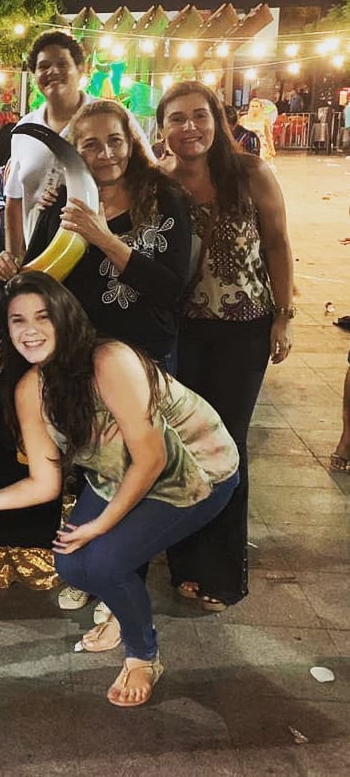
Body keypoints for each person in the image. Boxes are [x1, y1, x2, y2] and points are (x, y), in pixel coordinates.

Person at [0, 272, 239, 708]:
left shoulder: (110, 360)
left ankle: (143, 655)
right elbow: (43, 484)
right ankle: (124, 610)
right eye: (17, 320)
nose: (29, 330)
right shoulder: (31, 388)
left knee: (104, 563)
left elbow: (152, 459)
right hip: (119, 472)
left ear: (65, 317)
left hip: (198, 471)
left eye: (42, 317)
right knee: (70, 564)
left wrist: (100, 525)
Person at [157, 80, 295, 610]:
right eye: (176, 118)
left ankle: (223, 570)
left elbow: (278, 244)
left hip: (244, 330)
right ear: (162, 128)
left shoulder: (251, 174)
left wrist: (283, 317)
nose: (189, 127)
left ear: (217, 121)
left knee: (228, 444)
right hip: (182, 333)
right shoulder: (158, 183)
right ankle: (184, 561)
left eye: (199, 116)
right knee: (184, 443)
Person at [23, 99, 190, 373]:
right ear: (75, 153)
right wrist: (8, 268)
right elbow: (35, 279)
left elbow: (170, 290)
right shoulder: (62, 203)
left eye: (115, 141)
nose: (106, 153)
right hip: (74, 357)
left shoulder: (165, 198)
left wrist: (104, 239)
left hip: (144, 359)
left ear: (130, 145)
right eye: (91, 145)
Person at [0, 30, 154, 280]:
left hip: (104, 257)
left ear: (81, 69)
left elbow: (146, 171)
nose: (53, 71)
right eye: (43, 66)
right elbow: (14, 200)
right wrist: (14, 255)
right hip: (43, 260)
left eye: (62, 64)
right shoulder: (24, 129)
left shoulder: (111, 116)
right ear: (34, 75)